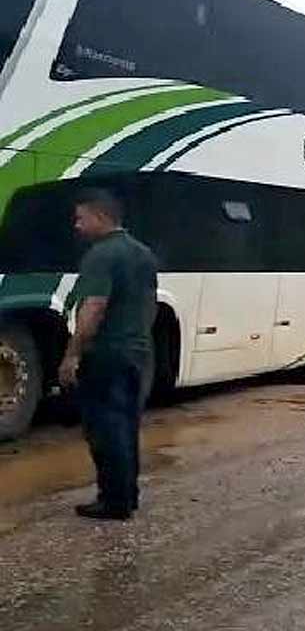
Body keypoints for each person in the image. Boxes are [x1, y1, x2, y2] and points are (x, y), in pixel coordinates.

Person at [60, 189, 158, 520]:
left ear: (101, 217)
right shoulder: (143, 253)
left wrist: (72, 354)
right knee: (126, 426)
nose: (76, 225)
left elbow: (94, 307)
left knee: (105, 428)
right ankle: (127, 496)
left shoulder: (100, 255)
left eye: (81, 218)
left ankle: (112, 501)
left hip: (106, 354)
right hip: (137, 353)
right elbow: (150, 305)